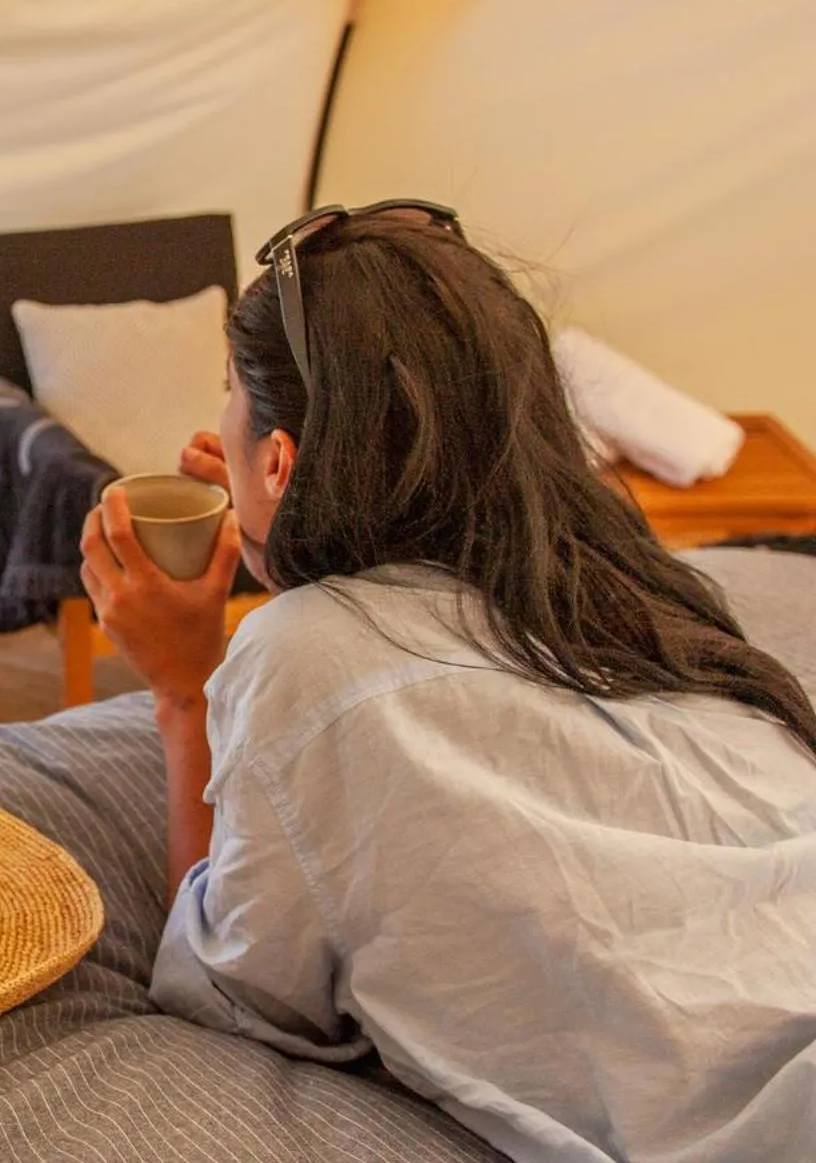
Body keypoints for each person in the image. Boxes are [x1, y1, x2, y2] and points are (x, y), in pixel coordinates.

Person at [78, 201, 816, 1163]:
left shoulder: (301, 655)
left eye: (230, 392)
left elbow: (235, 988)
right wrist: (294, 536)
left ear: (277, 459)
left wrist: (184, 689)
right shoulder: (631, 590)